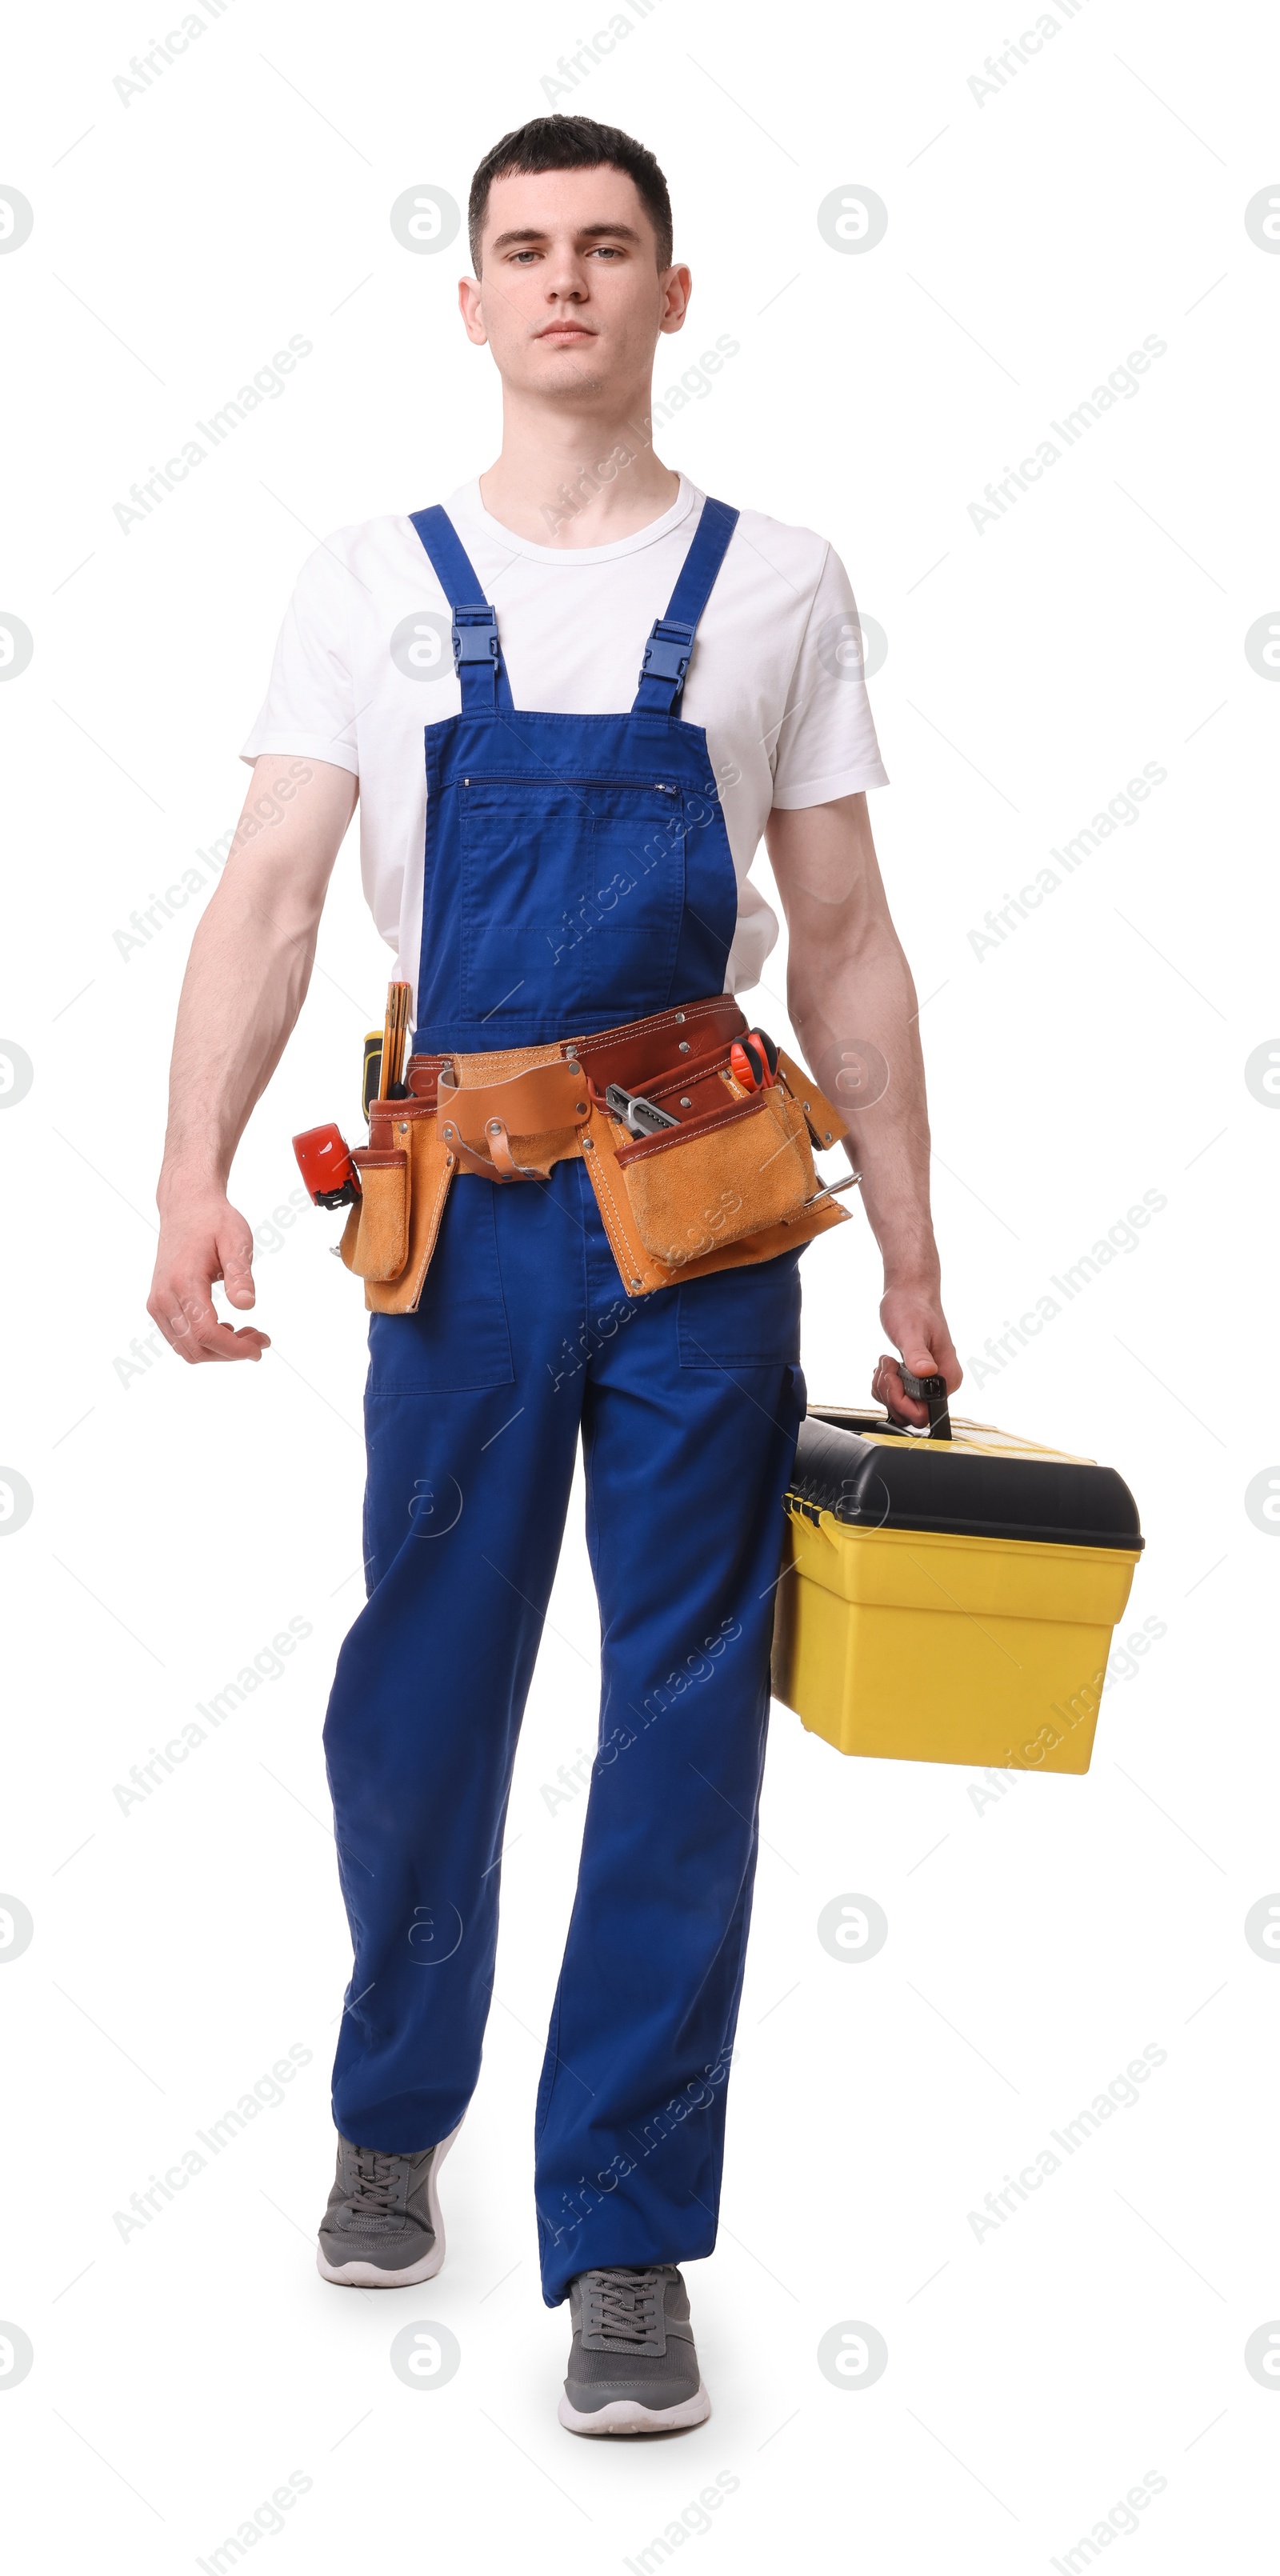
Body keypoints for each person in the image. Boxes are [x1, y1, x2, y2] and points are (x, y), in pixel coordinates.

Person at [147, 113, 960, 2436]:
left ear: (674, 293)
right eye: (526, 250)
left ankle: (623, 2231)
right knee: (424, 1691)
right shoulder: (368, 583)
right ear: (474, 300)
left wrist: (911, 1240)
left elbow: (857, 937)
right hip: (464, 1226)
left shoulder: (782, 580)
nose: (569, 281)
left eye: (611, 246)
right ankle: (394, 2093)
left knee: (685, 1723)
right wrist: (187, 1171)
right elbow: (273, 899)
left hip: (707, 1224)